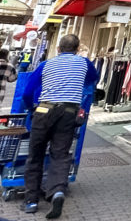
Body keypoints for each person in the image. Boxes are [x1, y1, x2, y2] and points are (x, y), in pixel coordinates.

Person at [20, 34, 99, 218]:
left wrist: (32, 108)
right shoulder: (85, 64)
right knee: (60, 154)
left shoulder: (46, 64)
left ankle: (31, 201)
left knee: (35, 155)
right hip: (69, 113)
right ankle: (56, 191)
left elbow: (27, 91)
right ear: (78, 49)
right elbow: (93, 79)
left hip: (44, 110)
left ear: (58, 49)